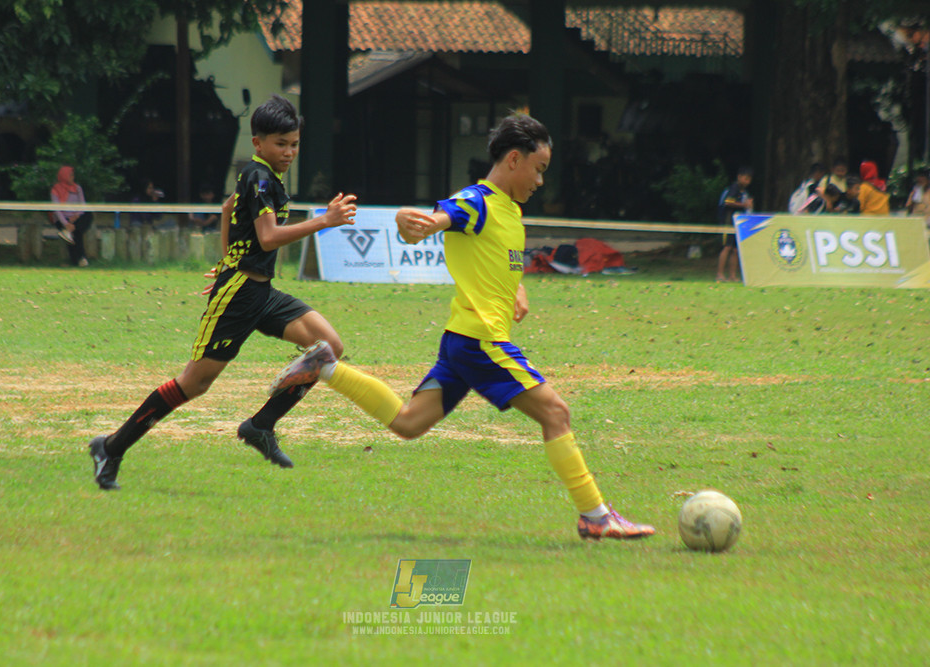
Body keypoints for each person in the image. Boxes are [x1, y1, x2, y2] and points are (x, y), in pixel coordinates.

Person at [267, 113, 655, 542]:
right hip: (480, 341)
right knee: (556, 413)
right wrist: (418, 225)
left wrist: (516, 288)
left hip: (461, 341)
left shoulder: (509, 211)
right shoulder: (478, 201)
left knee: (409, 423)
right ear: (514, 159)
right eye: (538, 169)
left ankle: (324, 366)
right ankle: (595, 515)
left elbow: (492, 258)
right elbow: (444, 216)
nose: (540, 181)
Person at [88, 95, 358, 490]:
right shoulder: (260, 176)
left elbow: (228, 208)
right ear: (258, 143)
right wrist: (323, 221)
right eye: (281, 144)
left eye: (294, 144)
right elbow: (268, 238)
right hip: (239, 296)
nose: (289, 152)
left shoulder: (264, 176)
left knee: (328, 346)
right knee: (194, 384)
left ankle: (260, 425)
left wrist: (228, 258)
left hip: (261, 292)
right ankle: (111, 447)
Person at [50, 165, 93, 267]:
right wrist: (66, 224)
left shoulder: (77, 188)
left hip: (76, 217)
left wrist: (76, 216)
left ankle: (78, 259)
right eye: (70, 175)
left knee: (87, 216)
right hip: (63, 219)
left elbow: (82, 205)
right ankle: (80, 259)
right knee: (75, 232)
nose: (73, 178)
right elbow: (57, 210)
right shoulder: (55, 190)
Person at [716, 166, 753, 282]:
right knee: (727, 247)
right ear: (739, 177)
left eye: (749, 179)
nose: (747, 181)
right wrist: (744, 205)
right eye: (745, 178)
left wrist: (748, 206)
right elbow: (728, 202)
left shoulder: (744, 192)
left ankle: (732, 276)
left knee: (736, 250)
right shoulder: (734, 188)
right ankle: (720, 274)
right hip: (728, 221)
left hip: (738, 222)